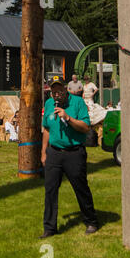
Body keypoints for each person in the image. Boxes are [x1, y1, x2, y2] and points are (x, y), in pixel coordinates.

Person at [40, 76, 99, 239]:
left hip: (74, 153)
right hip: (54, 153)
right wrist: (43, 152)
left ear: (66, 89)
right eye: (53, 91)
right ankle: (49, 228)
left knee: (81, 188)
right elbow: (46, 129)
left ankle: (91, 221)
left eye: (59, 90)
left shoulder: (78, 103)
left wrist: (68, 118)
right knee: (50, 190)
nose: (56, 94)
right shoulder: (49, 104)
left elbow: (86, 127)